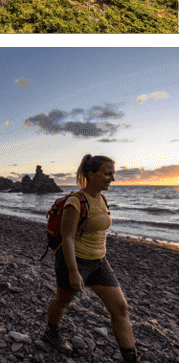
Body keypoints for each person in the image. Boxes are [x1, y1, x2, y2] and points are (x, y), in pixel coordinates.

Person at [42, 155, 137, 362]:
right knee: (63, 300)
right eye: (107, 173)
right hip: (75, 261)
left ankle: (131, 358)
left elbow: (98, 231)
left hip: (100, 263)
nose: (112, 178)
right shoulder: (75, 202)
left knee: (120, 308)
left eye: (113, 173)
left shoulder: (102, 198)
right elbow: (67, 238)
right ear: (91, 175)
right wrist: (74, 272)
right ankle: (51, 331)